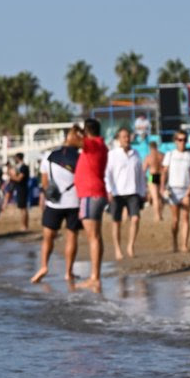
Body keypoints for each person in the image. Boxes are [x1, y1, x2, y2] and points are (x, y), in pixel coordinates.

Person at [30, 125, 84, 284]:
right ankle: (68, 272)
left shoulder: (49, 156)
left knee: (48, 237)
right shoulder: (81, 158)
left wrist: (48, 197)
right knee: (71, 236)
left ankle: (44, 266)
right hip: (74, 201)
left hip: (54, 203)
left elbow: (45, 183)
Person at [75, 118, 108, 287]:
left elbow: (72, 140)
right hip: (95, 193)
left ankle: (95, 277)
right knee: (96, 236)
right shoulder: (100, 145)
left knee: (93, 237)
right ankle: (96, 275)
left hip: (90, 194)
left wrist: (77, 130)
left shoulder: (93, 145)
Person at [105, 127, 146, 260]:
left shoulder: (136, 154)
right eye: (123, 137)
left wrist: (143, 191)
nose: (126, 139)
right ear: (118, 139)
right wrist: (109, 190)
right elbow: (107, 174)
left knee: (135, 219)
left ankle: (130, 246)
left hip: (133, 191)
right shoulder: (112, 154)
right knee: (116, 222)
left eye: (128, 136)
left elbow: (140, 174)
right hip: (117, 192)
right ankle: (117, 249)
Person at [160, 131, 190, 253]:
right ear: (175, 141)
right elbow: (164, 172)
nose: (182, 142)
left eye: (184, 139)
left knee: (185, 217)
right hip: (173, 190)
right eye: (180, 140)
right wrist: (162, 187)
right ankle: (174, 240)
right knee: (175, 220)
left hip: (186, 189)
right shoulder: (170, 154)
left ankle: (184, 244)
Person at [8, 152, 30, 231]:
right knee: (22, 208)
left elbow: (19, 179)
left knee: (23, 209)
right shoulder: (21, 167)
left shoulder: (23, 167)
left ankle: (24, 226)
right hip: (21, 189)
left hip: (22, 189)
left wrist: (10, 175)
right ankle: (24, 225)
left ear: (18, 158)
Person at [143, 140, 165, 222]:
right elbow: (166, 168)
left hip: (152, 176)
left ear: (150, 147)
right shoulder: (162, 155)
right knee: (160, 197)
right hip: (161, 176)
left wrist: (144, 181)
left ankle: (157, 216)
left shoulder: (148, 157)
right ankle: (161, 214)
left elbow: (144, 170)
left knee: (155, 197)